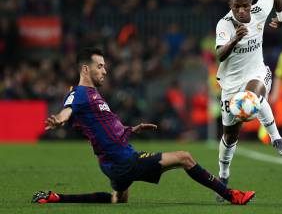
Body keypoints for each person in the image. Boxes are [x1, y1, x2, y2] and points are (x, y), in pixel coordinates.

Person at [32, 47, 255, 205]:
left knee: (116, 199)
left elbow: (104, 126)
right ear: (85, 69)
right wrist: (59, 119)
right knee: (185, 157)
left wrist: (131, 130)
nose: (105, 71)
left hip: (111, 163)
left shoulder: (93, 95)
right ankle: (232, 196)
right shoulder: (79, 93)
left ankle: (57, 197)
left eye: (105, 66)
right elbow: (67, 110)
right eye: (99, 66)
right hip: (124, 161)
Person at [214, 0, 282, 201]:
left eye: (245, 6)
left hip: (256, 72)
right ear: (231, 6)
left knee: (255, 95)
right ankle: (223, 175)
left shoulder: (260, 10)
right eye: (236, 6)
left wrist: (281, 18)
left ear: (251, 4)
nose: (241, 10)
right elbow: (220, 55)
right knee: (230, 135)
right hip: (230, 83)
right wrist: (233, 40)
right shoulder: (225, 24)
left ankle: (275, 138)